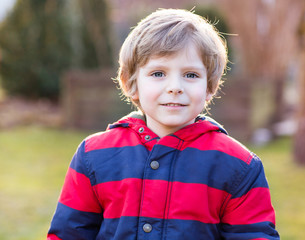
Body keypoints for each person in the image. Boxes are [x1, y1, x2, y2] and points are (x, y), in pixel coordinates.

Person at [47, 8, 279, 240]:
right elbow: (68, 234)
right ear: (130, 84)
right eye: (158, 73)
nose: (175, 87)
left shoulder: (239, 165)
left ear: (210, 87)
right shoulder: (93, 155)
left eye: (190, 75)